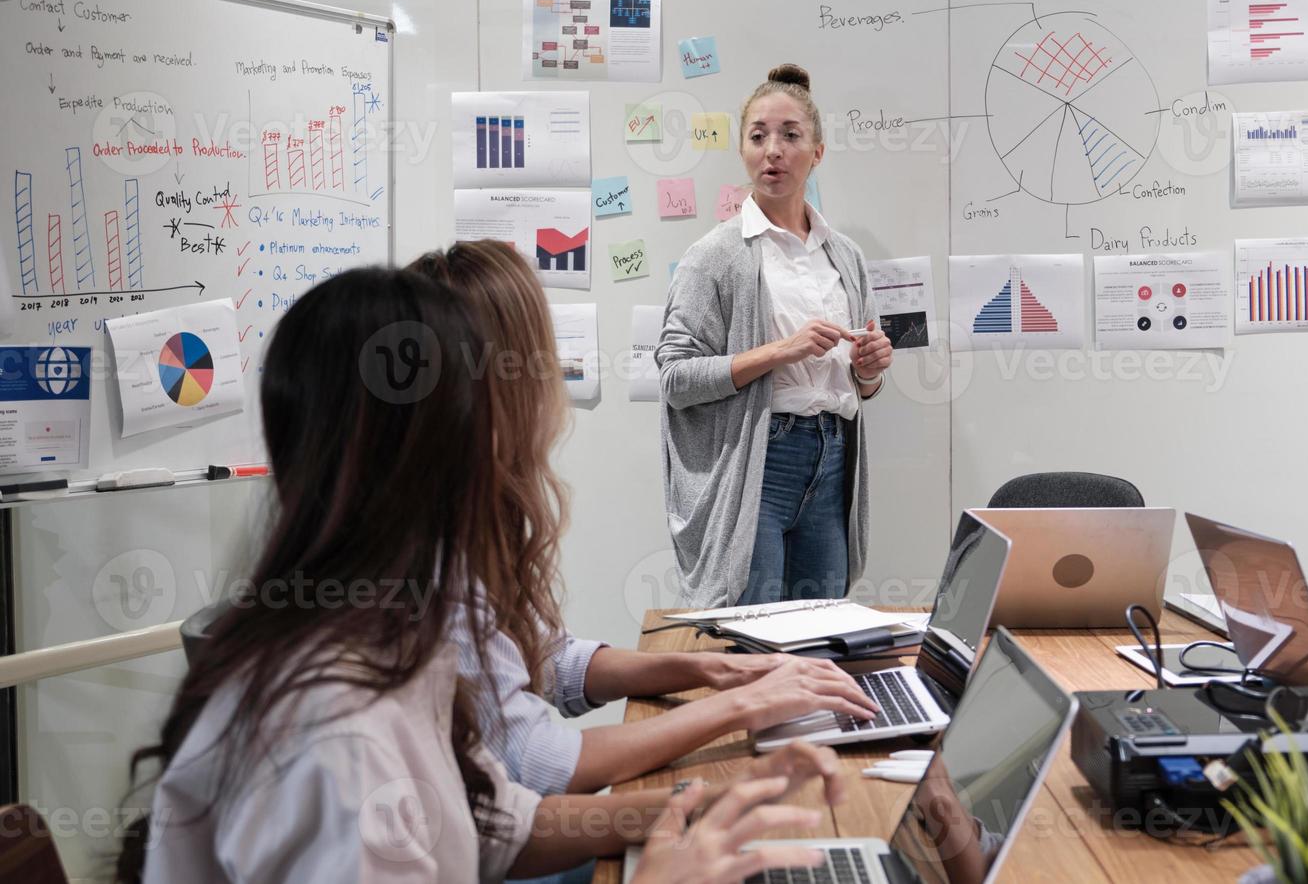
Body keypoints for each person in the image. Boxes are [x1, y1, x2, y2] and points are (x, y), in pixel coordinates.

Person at [115, 266, 848, 884]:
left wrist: (694, 806)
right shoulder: (339, 734)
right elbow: (528, 779)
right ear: (448, 444)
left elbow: (494, 821)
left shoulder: (387, 626)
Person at [409, 240, 878, 797]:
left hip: (830, 457)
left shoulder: (466, 509)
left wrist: (714, 671)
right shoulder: (429, 557)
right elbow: (536, 765)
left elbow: (549, 659)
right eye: (536, 355)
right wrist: (735, 709)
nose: (549, 375)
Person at [659, 63, 895, 608]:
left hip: (834, 458)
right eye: (758, 136)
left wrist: (869, 370)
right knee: (756, 638)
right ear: (742, 151)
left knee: (821, 633)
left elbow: (861, 388)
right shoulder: (715, 256)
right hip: (760, 463)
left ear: (817, 152)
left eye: (791, 136)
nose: (774, 150)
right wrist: (778, 351)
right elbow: (674, 377)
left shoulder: (845, 256)